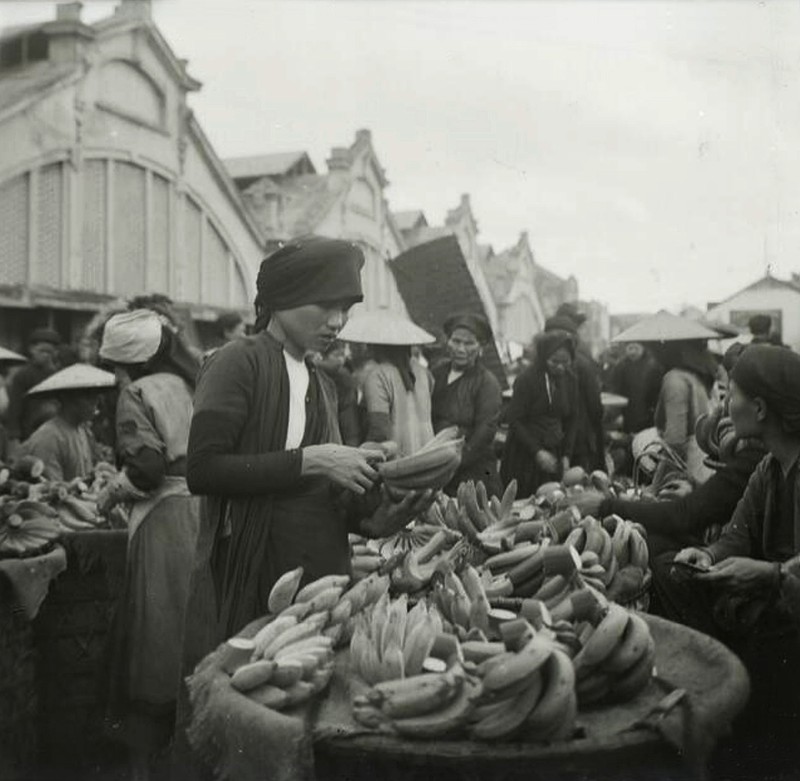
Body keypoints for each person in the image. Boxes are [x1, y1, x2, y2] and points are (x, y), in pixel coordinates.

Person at [180, 238, 432, 678]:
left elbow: (321, 499)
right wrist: (312, 459)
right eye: (325, 307)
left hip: (320, 573)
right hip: (260, 568)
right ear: (282, 300)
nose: (337, 322)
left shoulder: (322, 382)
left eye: (345, 310)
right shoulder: (237, 363)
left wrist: (380, 517)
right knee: (258, 678)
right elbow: (202, 470)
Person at [662, 345, 800, 776]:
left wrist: (772, 574)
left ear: (759, 408)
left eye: (732, 394)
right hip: (774, 607)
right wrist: (705, 554)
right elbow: (736, 536)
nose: (725, 405)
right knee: (671, 572)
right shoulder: (767, 470)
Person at [97, 309, 201, 772]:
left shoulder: (136, 393)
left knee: (154, 629)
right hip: (202, 511)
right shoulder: (190, 384)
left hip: (164, 519)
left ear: (130, 363)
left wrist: (115, 488)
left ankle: (150, 756)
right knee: (191, 623)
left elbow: (148, 469)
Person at [338, 309, 436, 457]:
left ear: (374, 345)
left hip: (398, 461)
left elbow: (379, 430)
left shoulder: (378, 376)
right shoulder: (424, 372)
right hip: (428, 456)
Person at [431, 313, 503, 495]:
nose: (461, 349)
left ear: (481, 347)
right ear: (447, 341)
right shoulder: (436, 374)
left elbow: (485, 432)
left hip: (472, 473)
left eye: (469, 343)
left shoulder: (487, 383)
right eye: (456, 341)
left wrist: (454, 463)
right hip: (436, 467)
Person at [500, 328, 577, 498]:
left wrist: (566, 455)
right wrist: (537, 451)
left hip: (553, 451)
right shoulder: (526, 380)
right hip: (525, 453)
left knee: (552, 499)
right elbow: (515, 420)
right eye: (554, 361)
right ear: (543, 358)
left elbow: (572, 419)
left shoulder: (570, 380)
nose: (560, 367)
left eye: (565, 362)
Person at [18, 364, 115, 481]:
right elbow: (52, 490)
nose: (94, 403)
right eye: (88, 396)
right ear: (67, 398)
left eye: (95, 396)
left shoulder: (83, 430)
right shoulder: (49, 438)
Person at [651, 338, 718, 484]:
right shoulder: (699, 377)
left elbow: (675, 440)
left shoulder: (674, 379)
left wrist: (655, 485)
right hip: (709, 466)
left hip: (692, 470)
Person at [553, 304, 605, 472]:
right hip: (580, 437)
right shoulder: (581, 357)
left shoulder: (544, 359)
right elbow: (595, 405)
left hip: (554, 438)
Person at [5, 328, 61, 448]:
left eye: (49, 352)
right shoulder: (23, 375)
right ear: (32, 350)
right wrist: (14, 436)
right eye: (42, 351)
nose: (45, 355)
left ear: (56, 353)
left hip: (55, 431)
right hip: (29, 431)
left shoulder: (58, 375)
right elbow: (15, 407)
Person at [609, 341, 664, 435]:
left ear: (643, 348)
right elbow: (615, 390)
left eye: (636, 348)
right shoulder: (620, 366)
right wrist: (617, 413)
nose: (633, 352)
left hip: (646, 413)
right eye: (630, 348)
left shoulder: (653, 366)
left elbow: (657, 392)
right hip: (627, 412)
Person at [313, 340, 361, 446]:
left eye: (342, 355)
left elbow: (349, 421)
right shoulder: (342, 376)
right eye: (337, 355)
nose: (341, 360)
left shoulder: (343, 377)